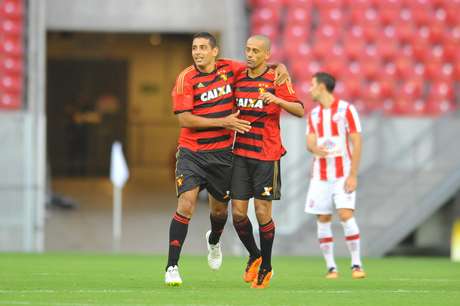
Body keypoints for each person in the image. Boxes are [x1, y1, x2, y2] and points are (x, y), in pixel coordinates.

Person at [165, 32, 288, 286]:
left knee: (220, 212)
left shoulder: (230, 69)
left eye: (202, 48)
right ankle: (172, 266)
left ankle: (214, 241)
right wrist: (224, 121)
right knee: (186, 204)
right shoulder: (185, 78)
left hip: (222, 154)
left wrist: (281, 67)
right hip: (192, 153)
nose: (197, 52)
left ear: (214, 51)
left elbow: (260, 65)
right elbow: (184, 119)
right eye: (194, 47)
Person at [231, 35, 304, 289]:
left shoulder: (277, 78)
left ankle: (267, 266)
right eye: (247, 49)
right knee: (238, 214)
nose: (249, 54)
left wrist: (278, 100)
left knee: (262, 212)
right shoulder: (238, 76)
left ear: (267, 56)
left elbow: (300, 109)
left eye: (255, 51)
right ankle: (254, 254)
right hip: (240, 153)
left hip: (266, 154)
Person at [304, 72, 366, 279]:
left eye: (312, 85)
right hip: (320, 175)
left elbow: (357, 141)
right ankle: (331, 267)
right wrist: (314, 148)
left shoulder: (346, 109)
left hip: (343, 173)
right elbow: (310, 141)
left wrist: (353, 175)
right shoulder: (314, 115)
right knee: (323, 217)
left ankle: (356, 265)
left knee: (346, 215)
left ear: (322, 87)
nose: (309, 89)